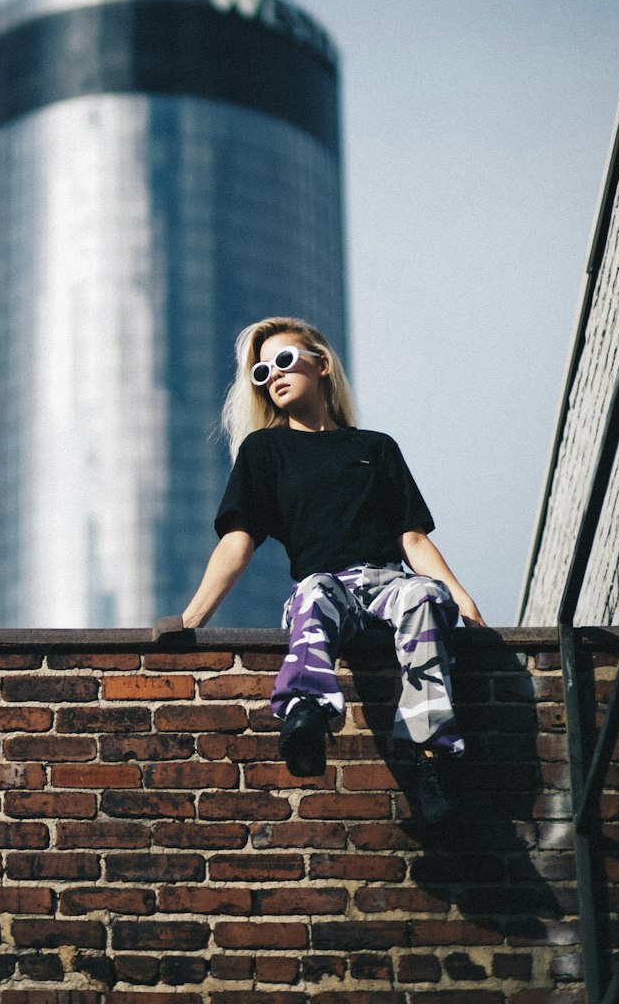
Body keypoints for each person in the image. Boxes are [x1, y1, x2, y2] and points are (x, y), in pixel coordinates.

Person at [177, 316, 485, 824]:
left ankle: (432, 762)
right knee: (315, 590)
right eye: (260, 372)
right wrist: (191, 620)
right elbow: (238, 541)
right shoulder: (265, 451)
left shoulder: (375, 448)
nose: (272, 375)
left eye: (282, 361)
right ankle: (305, 718)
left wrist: (459, 596)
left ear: (321, 364)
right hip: (326, 587)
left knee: (424, 596)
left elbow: (412, 538)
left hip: (390, 582)